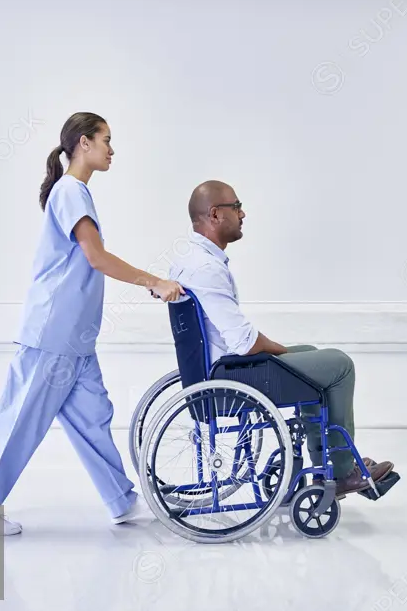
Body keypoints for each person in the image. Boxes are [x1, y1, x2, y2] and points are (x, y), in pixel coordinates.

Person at [0, 112, 184, 535]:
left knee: (94, 418)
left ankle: (121, 500)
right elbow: (95, 256)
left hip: (76, 338)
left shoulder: (76, 192)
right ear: (83, 143)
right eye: (106, 139)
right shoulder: (70, 191)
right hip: (53, 333)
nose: (111, 149)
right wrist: (153, 281)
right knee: (19, 423)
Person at [168, 180, 394, 498]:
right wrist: (278, 350)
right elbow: (244, 342)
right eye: (236, 207)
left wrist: (280, 352)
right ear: (216, 214)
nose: (243, 213)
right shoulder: (206, 268)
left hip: (219, 370)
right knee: (340, 365)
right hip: (232, 379)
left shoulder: (189, 258)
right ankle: (341, 471)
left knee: (313, 354)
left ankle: (327, 465)